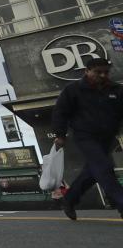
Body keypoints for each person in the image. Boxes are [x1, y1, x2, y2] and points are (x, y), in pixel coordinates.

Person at [52, 56, 123, 220]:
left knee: (92, 172)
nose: (103, 76)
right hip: (85, 136)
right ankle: (121, 203)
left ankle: (69, 199)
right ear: (87, 71)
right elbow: (60, 112)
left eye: (106, 72)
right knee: (104, 167)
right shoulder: (73, 89)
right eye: (98, 72)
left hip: (107, 137)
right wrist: (60, 135)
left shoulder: (116, 90)